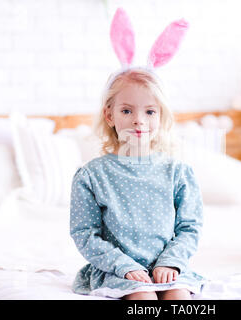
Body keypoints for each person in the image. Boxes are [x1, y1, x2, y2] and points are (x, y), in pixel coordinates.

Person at [69, 8, 205, 300]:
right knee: (142, 299)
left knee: (179, 298)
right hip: (119, 271)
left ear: (161, 116)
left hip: (169, 268)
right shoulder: (92, 176)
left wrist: (171, 261)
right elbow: (85, 233)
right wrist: (123, 266)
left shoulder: (178, 173)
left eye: (149, 111)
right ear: (110, 115)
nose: (138, 120)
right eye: (127, 110)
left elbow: (189, 227)